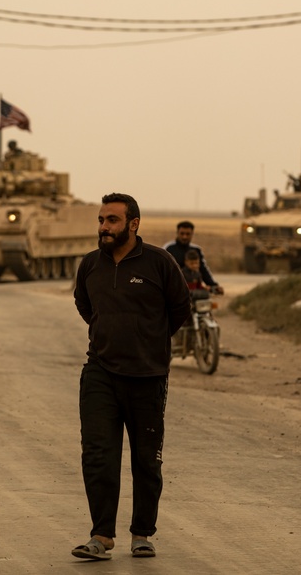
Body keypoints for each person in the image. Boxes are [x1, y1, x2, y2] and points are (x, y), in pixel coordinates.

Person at [71, 193, 191, 560]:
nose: (103, 227)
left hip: (148, 376)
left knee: (146, 460)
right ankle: (101, 536)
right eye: (101, 220)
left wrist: (149, 341)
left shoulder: (159, 262)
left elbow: (179, 308)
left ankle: (142, 533)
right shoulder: (91, 264)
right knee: (97, 455)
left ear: (133, 224)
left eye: (111, 220)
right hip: (100, 373)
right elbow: (85, 305)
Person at [162, 220, 224, 295]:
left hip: (193, 289)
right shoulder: (168, 248)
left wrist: (213, 285)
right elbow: (162, 270)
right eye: (182, 233)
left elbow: (203, 270)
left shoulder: (196, 250)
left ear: (192, 234)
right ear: (177, 233)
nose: (185, 237)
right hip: (173, 290)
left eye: (188, 234)